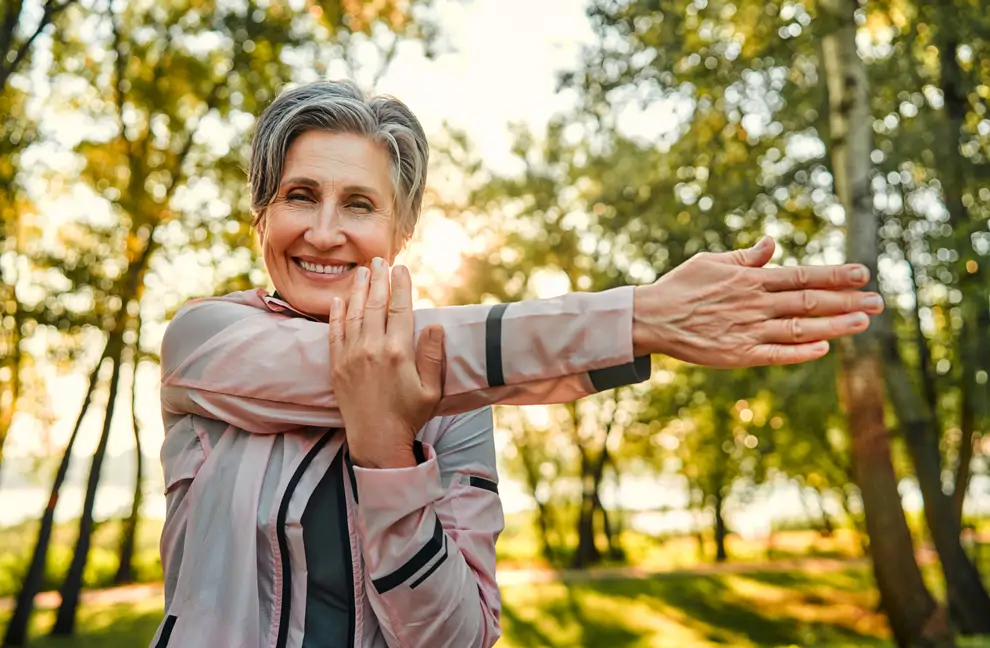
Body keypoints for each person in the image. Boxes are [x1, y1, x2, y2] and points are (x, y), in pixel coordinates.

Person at [151, 80, 884, 648]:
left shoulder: (460, 405)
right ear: (262, 215)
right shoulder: (205, 339)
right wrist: (639, 319)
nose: (325, 230)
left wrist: (387, 458)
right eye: (299, 195)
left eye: (361, 205)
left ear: (399, 234)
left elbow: (458, 637)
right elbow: (389, 360)